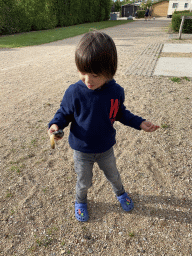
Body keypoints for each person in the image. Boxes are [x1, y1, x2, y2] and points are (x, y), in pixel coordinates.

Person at [48, 31, 160, 222]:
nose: (88, 81)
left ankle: (121, 193)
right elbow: (64, 113)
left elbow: (121, 113)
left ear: (109, 72)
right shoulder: (74, 92)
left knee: (114, 176)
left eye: (95, 75)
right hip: (82, 151)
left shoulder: (116, 91)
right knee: (84, 182)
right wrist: (55, 125)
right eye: (82, 73)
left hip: (106, 148)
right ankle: (80, 201)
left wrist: (140, 123)